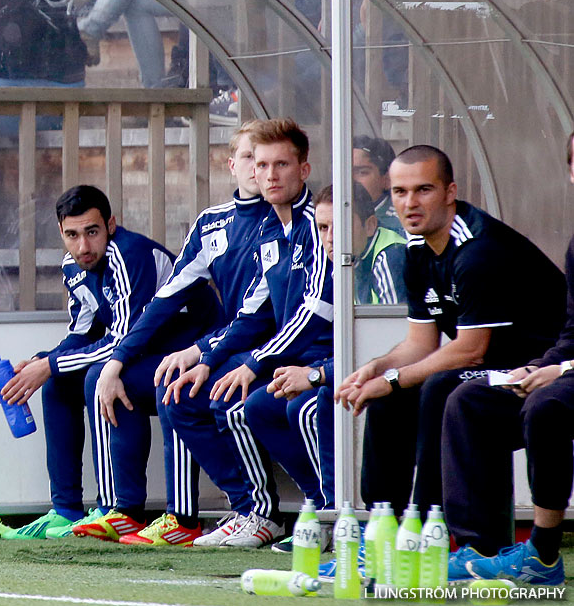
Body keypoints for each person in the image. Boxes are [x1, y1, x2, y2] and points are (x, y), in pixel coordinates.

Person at [335, 145, 565, 576]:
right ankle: (385, 531)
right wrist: (380, 367)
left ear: (450, 192)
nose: (409, 203)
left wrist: (398, 377)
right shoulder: (418, 249)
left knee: (442, 387)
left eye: (423, 190)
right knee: (388, 397)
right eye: (400, 192)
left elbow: (470, 349)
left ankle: (435, 535)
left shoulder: (478, 250)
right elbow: (421, 344)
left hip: (538, 372)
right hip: (487, 369)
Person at [74, 121, 271, 546]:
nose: (261, 169)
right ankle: (122, 509)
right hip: (219, 348)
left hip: (256, 350)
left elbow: (259, 314)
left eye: (271, 160)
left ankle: (185, 516)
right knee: (107, 378)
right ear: (231, 164)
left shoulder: (286, 222)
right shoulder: (212, 222)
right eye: (251, 158)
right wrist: (117, 360)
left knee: (173, 384)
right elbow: (165, 297)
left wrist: (200, 351)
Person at [0, 185, 201, 540]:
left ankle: (121, 510)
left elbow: (123, 338)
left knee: (96, 377)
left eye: (92, 232)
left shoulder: (128, 254)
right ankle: (64, 511)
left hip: (186, 352)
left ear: (110, 224)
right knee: (59, 380)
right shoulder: (72, 266)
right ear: (61, 232)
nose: (83, 246)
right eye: (72, 235)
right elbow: (84, 333)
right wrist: (40, 363)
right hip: (141, 356)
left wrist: (51, 363)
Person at [164, 118, 333, 548]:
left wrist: (252, 363)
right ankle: (249, 509)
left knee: (243, 401)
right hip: (280, 354)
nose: (271, 175)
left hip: (323, 356)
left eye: (282, 164)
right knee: (185, 393)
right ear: (251, 171)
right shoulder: (271, 229)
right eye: (262, 165)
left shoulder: (320, 223)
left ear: (304, 170)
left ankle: (299, 513)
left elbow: (314, 313)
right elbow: (254, 314)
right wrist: (208, 359)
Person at [440, 133, 574, 587]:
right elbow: (572, 333)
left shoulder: (480, 248)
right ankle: (478, 546)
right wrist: (539, 366)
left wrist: (563, 371)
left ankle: (543, 553)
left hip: (570, 381)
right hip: (567, 371)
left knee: (548, 403)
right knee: (470, 398)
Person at [245, 181, 407, 529]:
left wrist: (318, 374)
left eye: (341, 226)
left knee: (309, 405)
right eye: (322, 227)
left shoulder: (387, 257)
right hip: (351, 368)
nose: (330, 237)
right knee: (260, 406)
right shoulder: (344, 261)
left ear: (369, 226)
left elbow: (395, 347)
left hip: (395, 376)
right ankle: (318, 506)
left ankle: (342, 517)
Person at [352, 135, 404, 235]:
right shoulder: (329, 217)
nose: (351, 180)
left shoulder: (398, 226)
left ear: (387, 179)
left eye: (362, 172)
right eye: (344, 173)